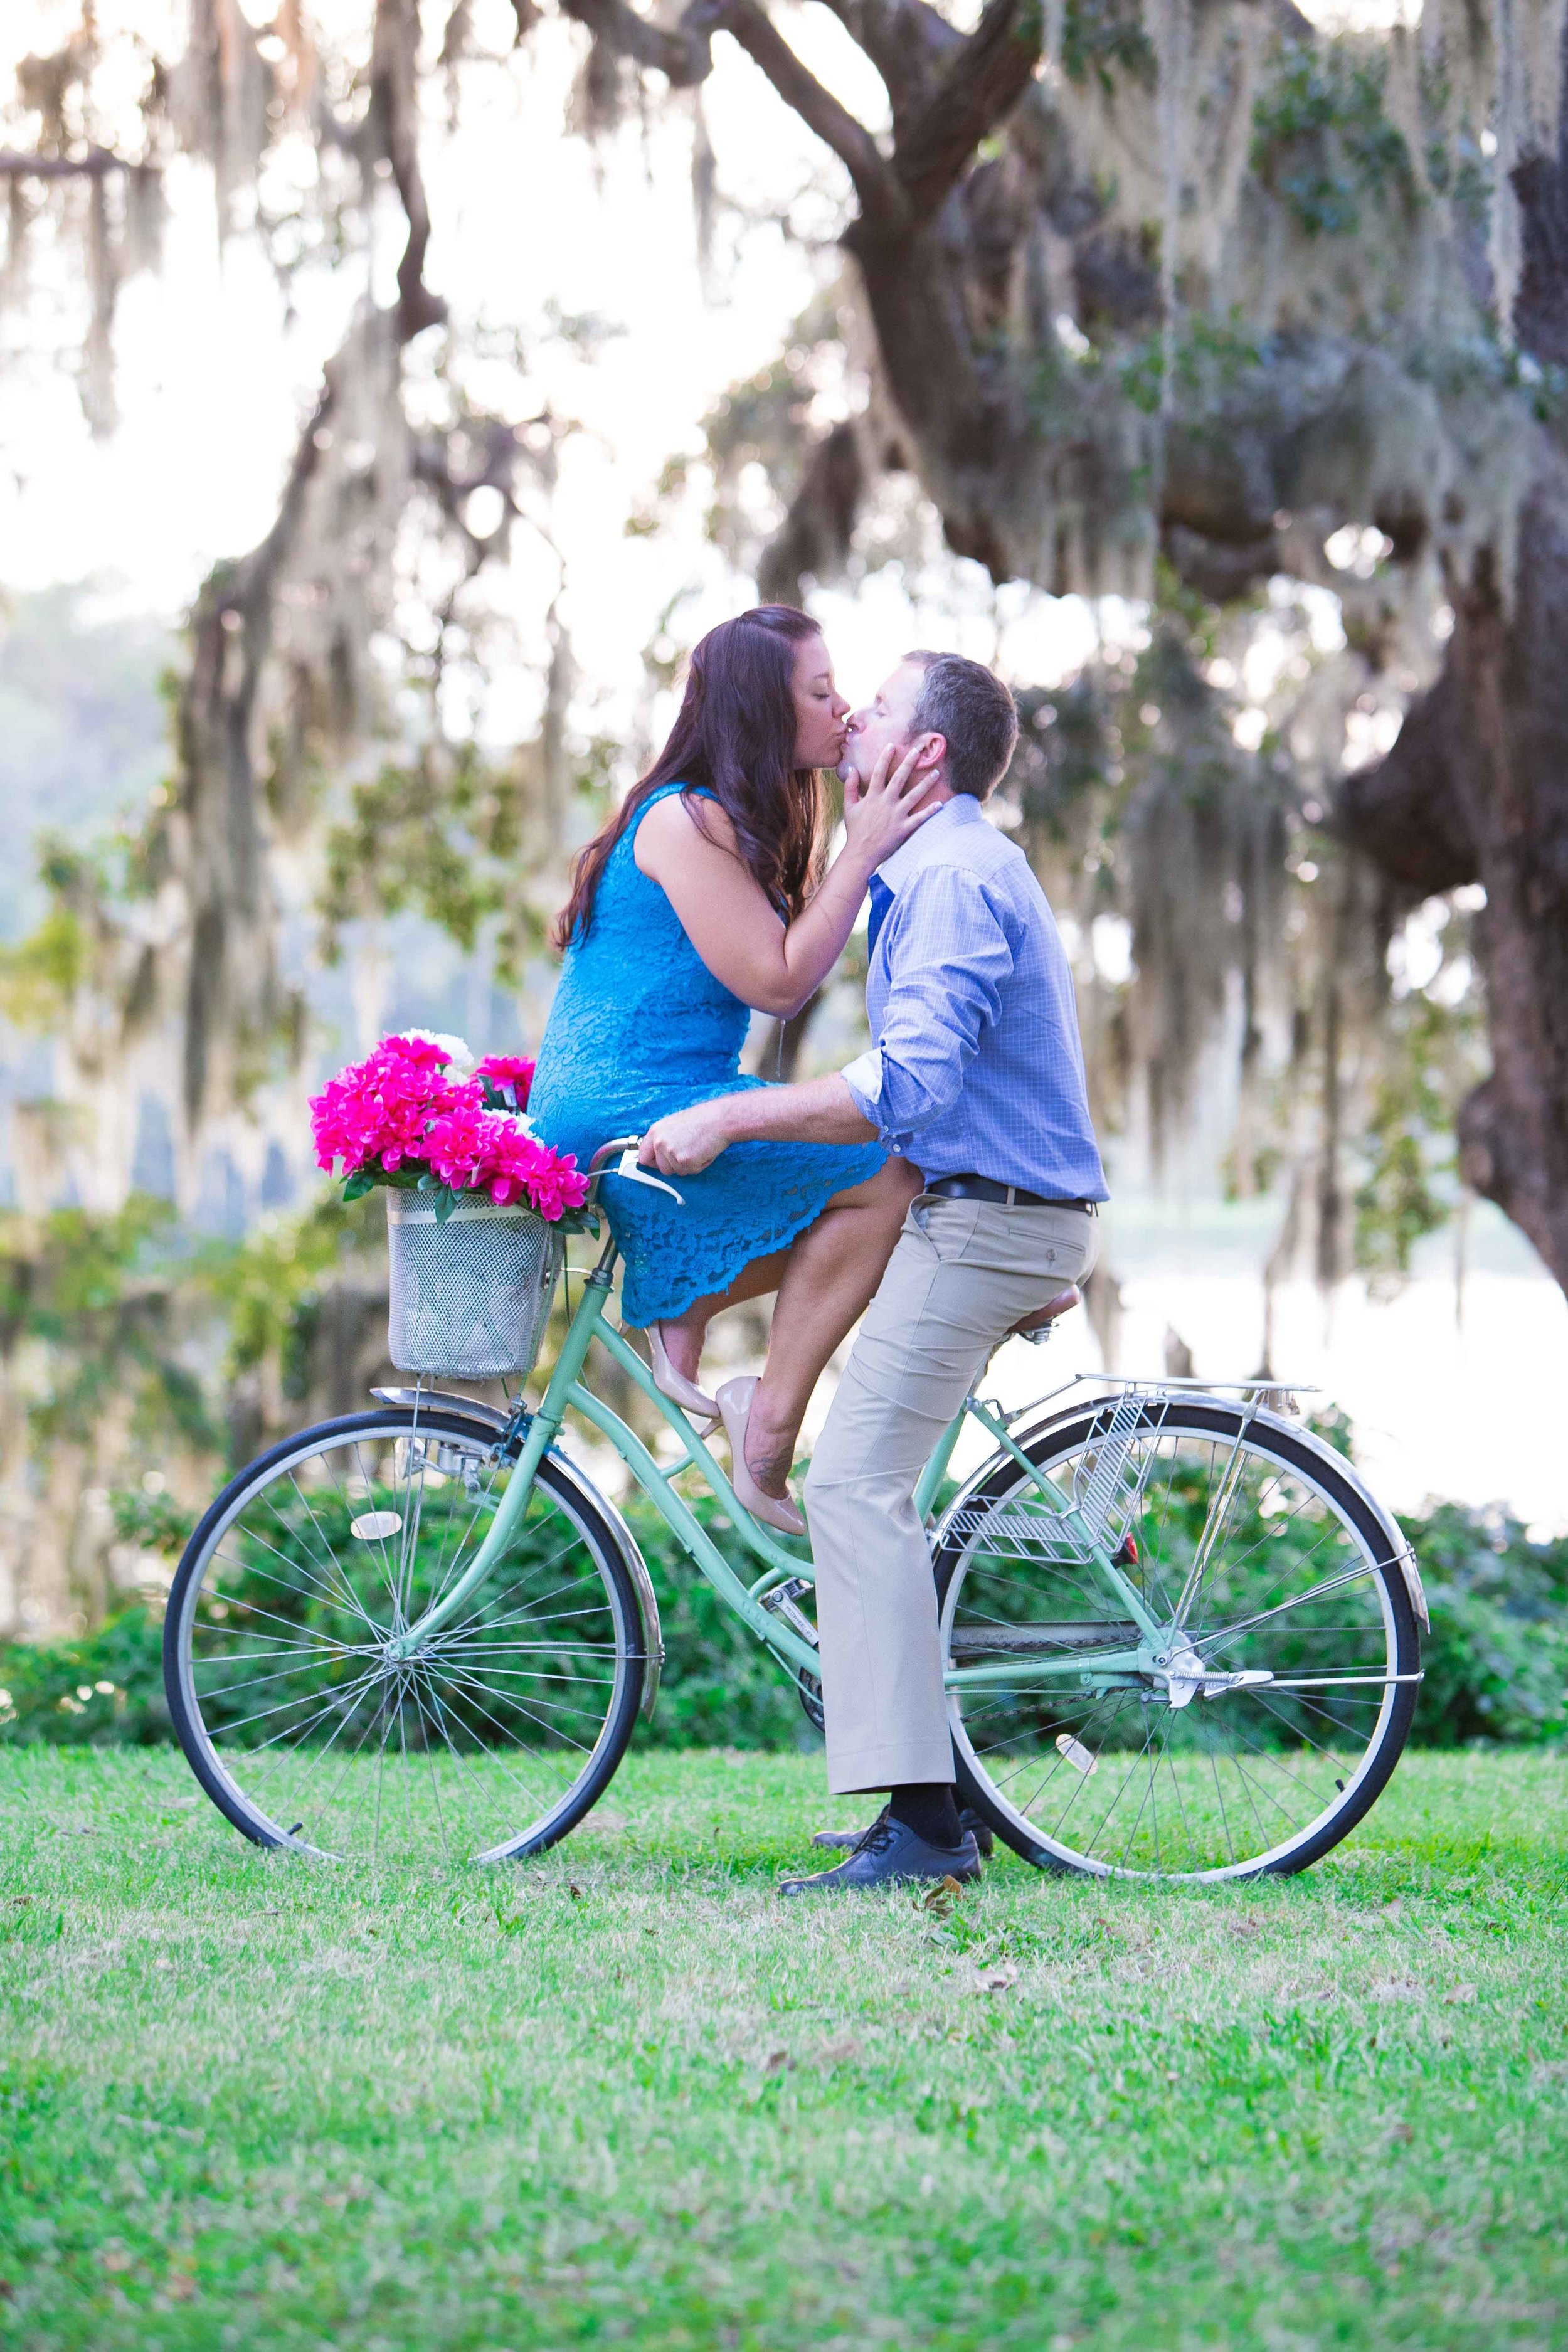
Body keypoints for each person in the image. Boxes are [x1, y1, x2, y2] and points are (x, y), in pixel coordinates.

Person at [638, 649, 1109, 1892]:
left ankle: (927, 1833)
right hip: (987, 1210)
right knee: (867, 1480)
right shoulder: (932, 869)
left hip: (988, 1222)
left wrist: (731, 1122)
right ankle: (915, 1807)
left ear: (925, 756)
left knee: (850, 1485)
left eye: (879, 708)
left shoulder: (950, 878)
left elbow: (908, 1087)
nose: (850, 718)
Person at [528, 605, 934, 1534]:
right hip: (632, 1102)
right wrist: (865, 847)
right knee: (893, 1177)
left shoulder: (715, 815)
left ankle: (688, 1314)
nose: (843, 711)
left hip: (667, 1089)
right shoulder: (681, 819)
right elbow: (781, 980)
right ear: (760, 709)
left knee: (875, 1181)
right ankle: (764, 1432)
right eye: (822, 692)